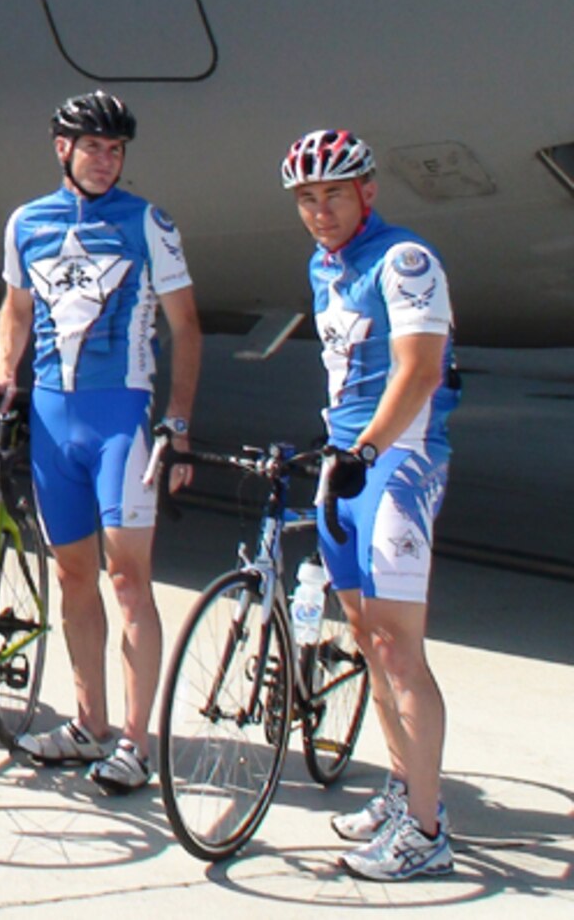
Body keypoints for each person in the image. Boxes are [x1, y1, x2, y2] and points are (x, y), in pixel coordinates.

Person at [0, 91, 199, 794]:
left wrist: (180, 423)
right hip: (50, 419)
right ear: (61, 148)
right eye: (92, 147)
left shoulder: (146, 222)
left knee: (129, 579)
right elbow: (15, 307)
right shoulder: (27, 221)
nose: (105, 161)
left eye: (116, 150)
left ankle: (136, 740)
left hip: (120, 420)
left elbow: (187, 328)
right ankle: (88, 724)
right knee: (72, 577)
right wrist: (2, 373)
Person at [282, 129, 457, 880]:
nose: (321, 210)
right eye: (308, 199)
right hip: (348, 465)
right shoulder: (326, 265)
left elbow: (419, 370)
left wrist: (365, 453)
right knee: (364, 635)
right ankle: (400, 787)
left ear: (368, 193)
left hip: (400, 462)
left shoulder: (404, 259)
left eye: (335, 195)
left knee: (398, 648)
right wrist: (338, 454)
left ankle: (426, 830)